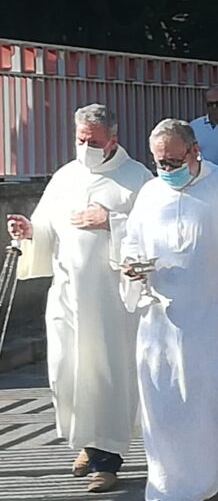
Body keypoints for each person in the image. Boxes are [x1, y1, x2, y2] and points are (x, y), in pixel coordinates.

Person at [121, 119, 218, 501]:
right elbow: (131, 242)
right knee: (166, 404)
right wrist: (131, 267)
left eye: (174, 161)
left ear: (195, 151)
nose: (167, 171)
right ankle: (168, 482)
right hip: (163, 320)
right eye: (160, 163)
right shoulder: (149, 194)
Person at [5, 105, 152, 493]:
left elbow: (152, 234)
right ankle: (88, 442)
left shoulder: (136, 179)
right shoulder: (65, 177)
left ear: (113, 139)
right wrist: (29, 229)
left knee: (105, 376)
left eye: (93, 141)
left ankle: (108, 460)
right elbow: (48, 229)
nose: (85, 146)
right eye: (80, 139)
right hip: (69, 297)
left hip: (110, 302)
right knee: (68, 373)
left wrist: (112, 222)